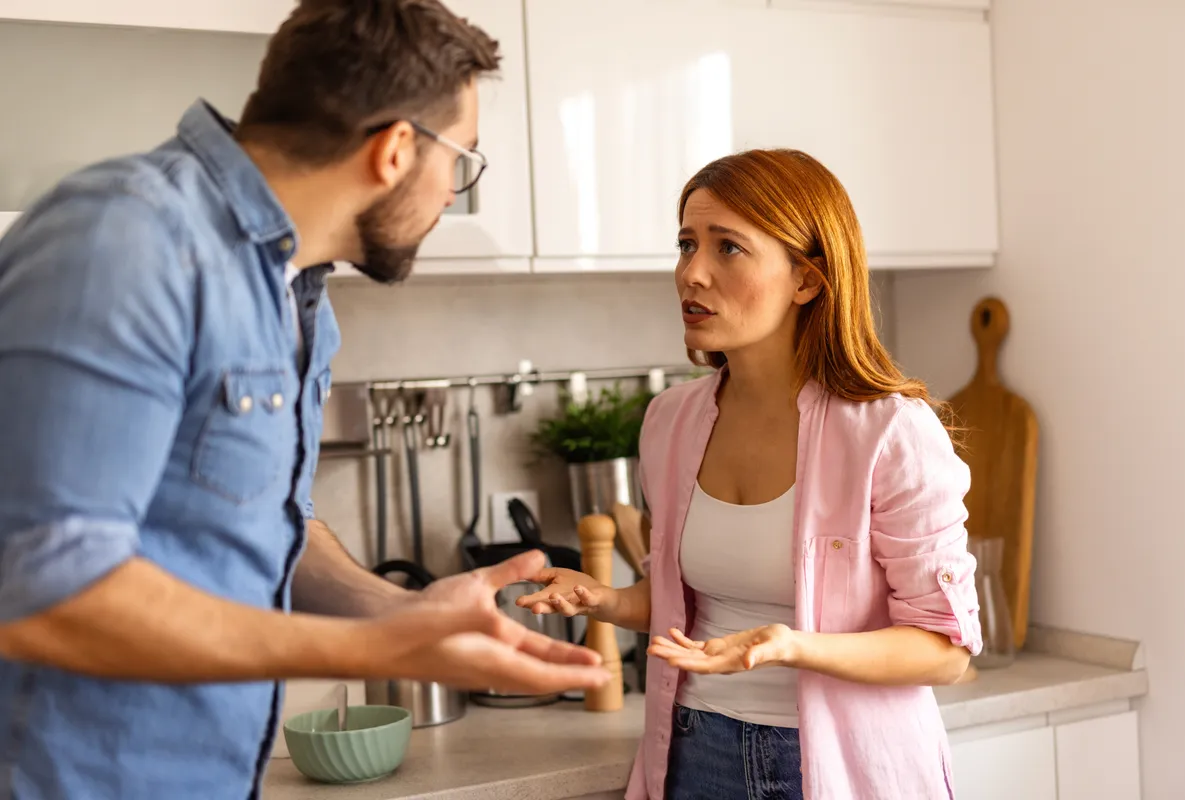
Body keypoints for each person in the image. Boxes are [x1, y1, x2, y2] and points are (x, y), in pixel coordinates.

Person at [0, 1, 609, 797]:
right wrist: (375, 654)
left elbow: (267, 519)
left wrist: (402, 613)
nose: (453, 193)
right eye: (460, 160)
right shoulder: (127, 238)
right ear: (396, 151)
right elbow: (45, 589)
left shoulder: (296, 297)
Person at [518, 149, 983, 800]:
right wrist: (607, 600)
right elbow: (688, 605)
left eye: (728, 248)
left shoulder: (888, 433)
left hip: (844, 766)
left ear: (807, 279)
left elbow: (944, 649)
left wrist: (792, 646)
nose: (692, 273)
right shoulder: (670, 423)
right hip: (696, 749)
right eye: (686, 244)